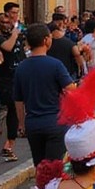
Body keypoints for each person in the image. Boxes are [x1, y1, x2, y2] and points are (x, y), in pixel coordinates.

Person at [14, 23, 75, 167]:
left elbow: (18, 100)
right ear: (46, 40)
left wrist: (21, 124)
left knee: (40, 166)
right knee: (54, 168)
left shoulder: (21, 67)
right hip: (55, 121)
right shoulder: (55, 65)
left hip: (33, 123)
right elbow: (70, 89)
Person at [0, 12, 27, 163]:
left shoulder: (18, 36)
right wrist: (14, 34)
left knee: (17, 107)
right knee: (12, 107)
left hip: (19, 75)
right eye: (3, 22)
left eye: (8, 21)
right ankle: (8, 143)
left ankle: (13, 138)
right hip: (5, 79)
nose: (6, 24)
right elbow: (8, 47)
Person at [47, 18, 83, 83]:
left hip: (52, 74)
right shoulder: (69, 43)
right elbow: (77, 54)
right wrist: (81, 68)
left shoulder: (47, 44)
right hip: (69, 74)